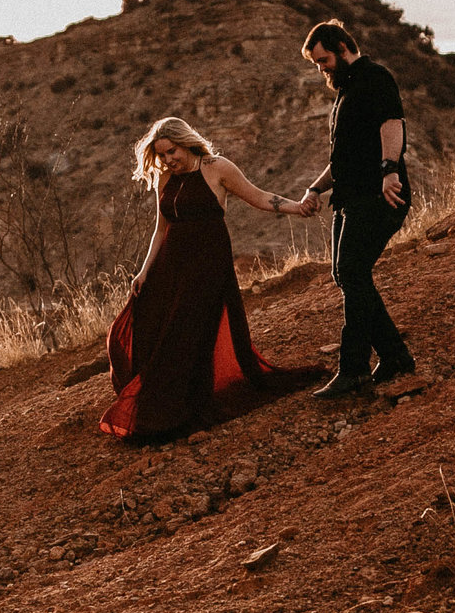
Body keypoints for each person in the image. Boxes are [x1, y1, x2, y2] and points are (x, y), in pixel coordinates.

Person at [100, 117, 319, 441]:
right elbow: (160, 229)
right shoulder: (164, 178)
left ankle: (186, 410)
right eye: (161, 155)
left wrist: (297, 208)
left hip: (207, 264)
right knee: (151, 326)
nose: (168, 160)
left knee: (190, 333)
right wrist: (144, 271)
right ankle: (158, 407)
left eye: (171, 151)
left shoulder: (217, 168)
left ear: (186, 142)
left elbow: (258, 197)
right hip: (170, 264)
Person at [285, 20, 413, 397]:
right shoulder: (344, 91)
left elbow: (392, 123)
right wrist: (315, 188)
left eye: (323, 59)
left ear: (342, 46)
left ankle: (354, 368)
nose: (320, 68)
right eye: (315, 63)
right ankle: (394, 357)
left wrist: (390, 170)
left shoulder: (375, 77)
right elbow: (343, 159)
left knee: (353, 273)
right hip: (349, 197)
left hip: (379, 196)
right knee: (346, 276)